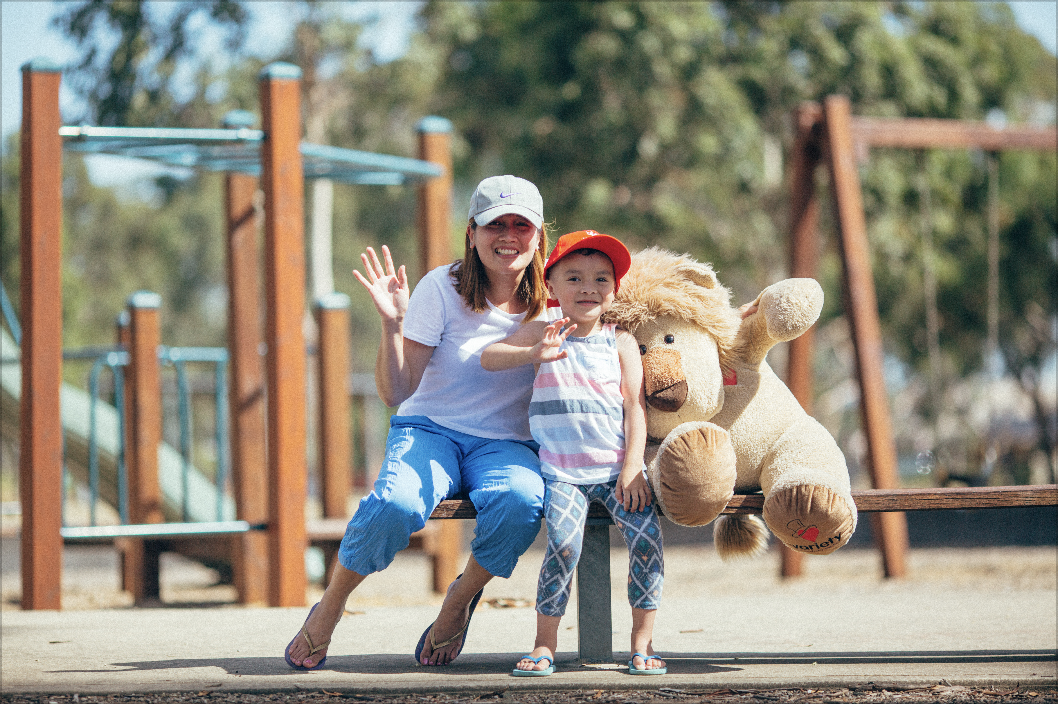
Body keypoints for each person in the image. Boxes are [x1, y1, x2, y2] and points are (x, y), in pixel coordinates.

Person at [284, 175, 551, 670]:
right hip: (430, 429)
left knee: (520, 502)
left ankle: (460, 599)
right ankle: (334, 602)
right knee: (395, 503)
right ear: (472, 232)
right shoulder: (440, 288)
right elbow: (397, 392)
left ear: (539, 238)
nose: (508, 236)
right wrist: (392, 324)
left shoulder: (555, 295)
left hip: (508, 443)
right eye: (496, 224)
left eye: (521, 225)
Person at [481, 230, 667, 677]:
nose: (588, 288)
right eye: (575, 277)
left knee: (648, 544)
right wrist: (532, 352)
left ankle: (641, 642)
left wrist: (633, 467)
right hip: (561, 474)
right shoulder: (544, 326)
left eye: (602, 278)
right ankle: (545, 643)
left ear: (615, 288)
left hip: (617, 474)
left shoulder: (619, 341)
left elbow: (633, 407)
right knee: (563, 544)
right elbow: (489, 356)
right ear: (551, 285)